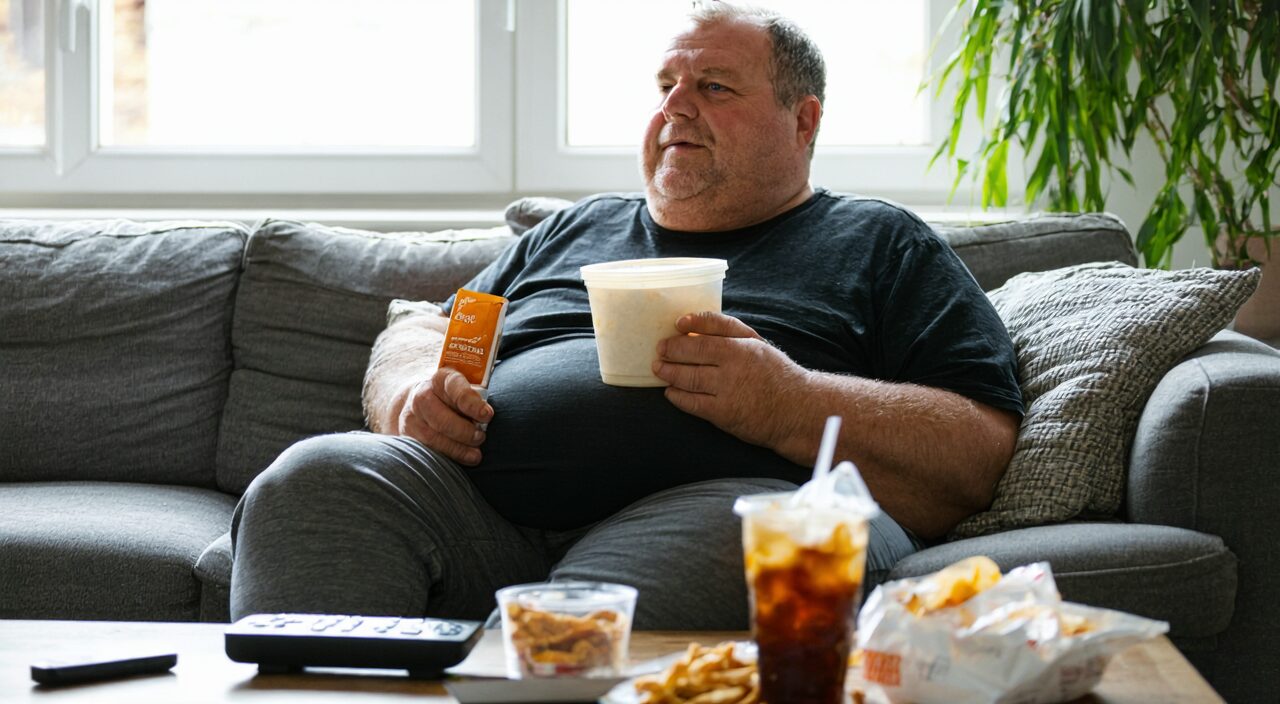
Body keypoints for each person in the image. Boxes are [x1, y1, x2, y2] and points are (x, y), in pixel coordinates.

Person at [228, 3, 1023, 629]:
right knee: (315, 479)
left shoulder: (879, 241)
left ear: (803, 121)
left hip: (729, 507)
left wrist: (789, 403)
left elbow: (978, 447)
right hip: (480, 512)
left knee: (690, 570)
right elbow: (431, 326)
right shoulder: (579, 227)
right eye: (665, 85)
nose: (675, 105)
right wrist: (410, 390)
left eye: (713, 85)